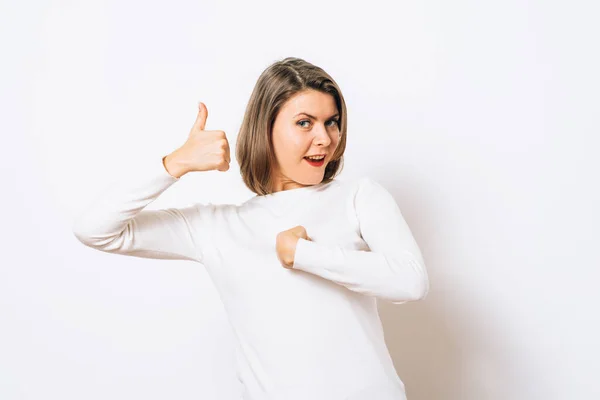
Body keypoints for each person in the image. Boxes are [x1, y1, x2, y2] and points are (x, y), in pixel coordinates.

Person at [72, 56, 430, 400]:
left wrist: (305, 254)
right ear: (266, 128)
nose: (324, 138)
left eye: (332, 122)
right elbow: (96, 229)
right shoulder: (218, 227)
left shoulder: (358, 197)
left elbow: (409, 281)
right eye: (305, 123)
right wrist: (176, 163)